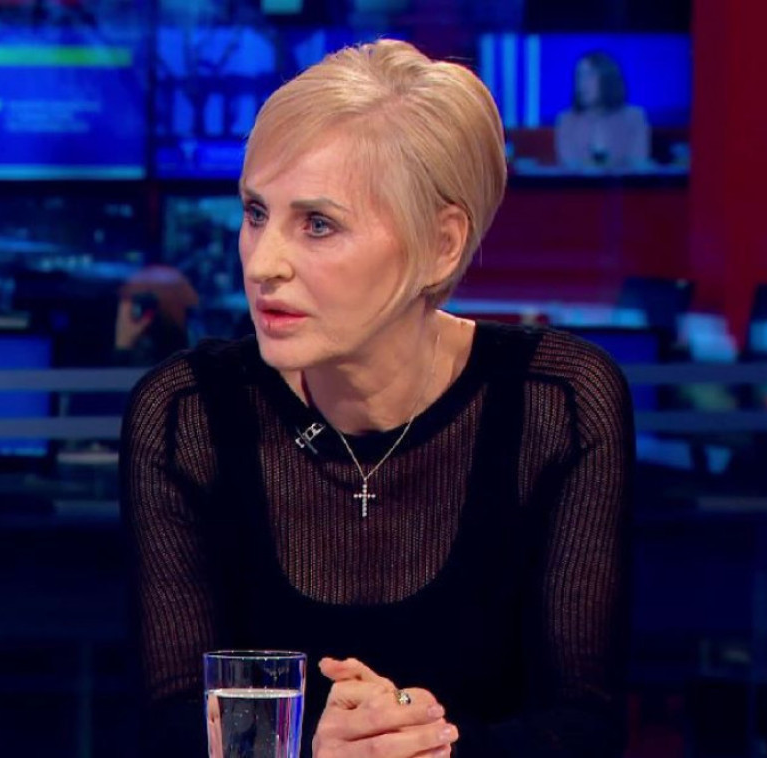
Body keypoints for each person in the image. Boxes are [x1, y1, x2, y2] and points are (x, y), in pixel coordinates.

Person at [122, 38, 633, 758]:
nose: (263, 263)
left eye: (318, 224)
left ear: (441, 244)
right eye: (256, 213)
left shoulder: (559, 404)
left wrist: (426, 748)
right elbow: (167, 724)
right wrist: (314, 748)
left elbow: (584, 724)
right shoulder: (187, 414)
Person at [555, 51, 651, 172]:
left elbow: (638, 166)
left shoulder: (634, 118)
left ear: (607, 80)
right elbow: (570, 168)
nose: (582, 84)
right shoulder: (566, 121)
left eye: (590, 76)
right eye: (579, 76)